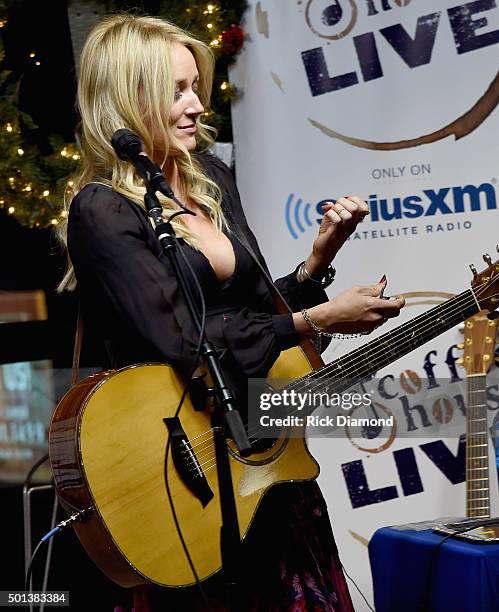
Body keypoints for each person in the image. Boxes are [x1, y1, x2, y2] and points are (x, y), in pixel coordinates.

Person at [58, 13, 405, 612]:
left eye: (197, 86)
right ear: (127, 99)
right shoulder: (102, 210)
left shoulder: (211, 179)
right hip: (186, 474)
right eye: (177, 91)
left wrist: (313, 268)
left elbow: (251, 319)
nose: (197, 105)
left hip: (261, 457)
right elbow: (187, 343)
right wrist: (315, 320)